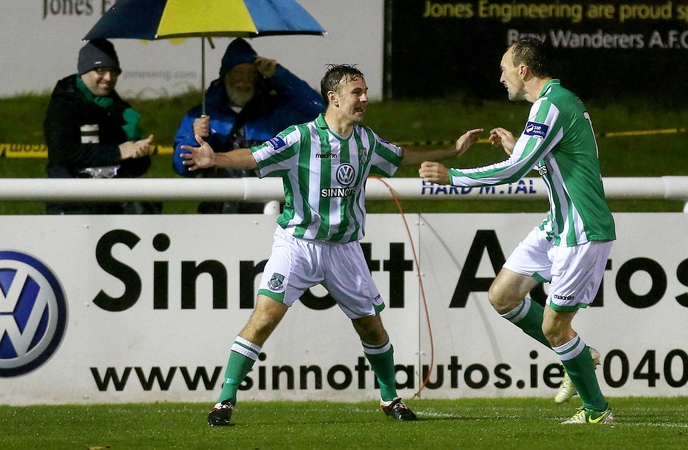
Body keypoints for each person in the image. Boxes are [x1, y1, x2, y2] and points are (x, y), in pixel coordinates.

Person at [181, 64, 482, 426]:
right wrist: (215, 158)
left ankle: (390, 398)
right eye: (357, 92)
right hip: (298, 245)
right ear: (334, 98)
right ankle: (224, 401)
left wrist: (453, 151)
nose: (365, 98)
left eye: (365, 91)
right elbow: (254, 156)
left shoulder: (366, 141)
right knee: (264, 319)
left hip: (344, 249)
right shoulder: (301, 137)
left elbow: (401, 155)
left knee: (372, 328)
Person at [418, 37, 616, 424]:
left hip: (582, 229)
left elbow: (515, 171)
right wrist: (517, 149)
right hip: (557, 225)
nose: (501, 78)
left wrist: (452, 176)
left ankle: (597, 410)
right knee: (503, 296)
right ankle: (579, 354)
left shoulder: (552, 104)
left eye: (504, 69)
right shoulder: (555, 103)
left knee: (555, 327)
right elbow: (549, 160)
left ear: (523, 70)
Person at [173, 38, 324, 214]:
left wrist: (278, 74)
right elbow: (181, 167)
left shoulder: (277, 112)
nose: (245, 80)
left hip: (271, 211)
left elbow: (318, 110)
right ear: (226, 76)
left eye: (251, 73)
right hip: (217, 214)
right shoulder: (200, 115)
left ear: (259, 78)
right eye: (238, 72)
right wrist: (194, 136)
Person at [44, 38, 156, 215]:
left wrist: (139, 155)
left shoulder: (121, 110)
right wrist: (117, 152)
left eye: (114, 72)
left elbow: (134, 169)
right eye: (100, 70)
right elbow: (61, 151)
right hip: (73, 205)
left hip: (115, 205)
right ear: (84, 71)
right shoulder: (63, 105)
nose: (108, 78)